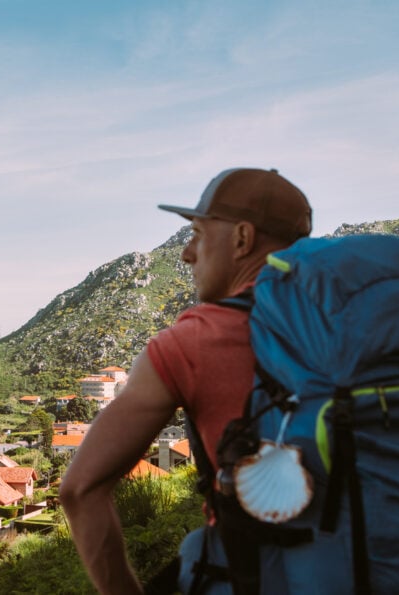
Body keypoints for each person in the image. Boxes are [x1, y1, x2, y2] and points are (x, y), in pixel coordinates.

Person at [59, 167, 312, 594]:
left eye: (197, 233)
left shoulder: (196, 341)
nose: (186, 254)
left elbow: (80, 490)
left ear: (242, 239)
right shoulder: (369, 326)